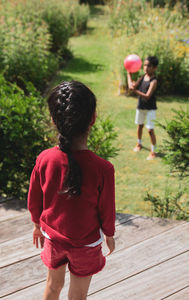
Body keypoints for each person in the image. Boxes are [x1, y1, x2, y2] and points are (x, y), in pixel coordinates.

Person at [28, 80, 115, 300]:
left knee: (52, 286)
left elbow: (34, 198)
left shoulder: (44, 160)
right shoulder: (103, 169)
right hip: (86, 244)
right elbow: (107, 208)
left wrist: (37, 225)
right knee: (78, 296)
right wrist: (109, 234)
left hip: (53, 238)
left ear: (53, 120)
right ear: (92, 119)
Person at [127, 56, 159, 160]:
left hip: (150, 108)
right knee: (140, 126)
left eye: (148, 66)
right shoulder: (142, 77)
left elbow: (147, 96)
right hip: (140, 106)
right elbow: (133, 86)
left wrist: (134, 91)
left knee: (150, 130)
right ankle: (139, 144)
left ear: (155, 68)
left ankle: (153, 151)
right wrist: (129, 74)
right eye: (145, 65)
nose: (145, 67)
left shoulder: (154, 81)